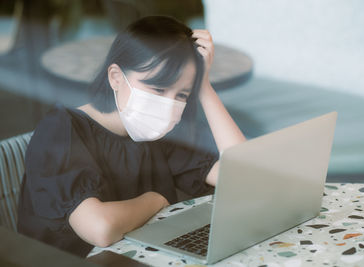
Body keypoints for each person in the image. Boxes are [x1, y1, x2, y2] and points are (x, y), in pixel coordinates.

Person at [17, 16, 246, 257]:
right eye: (158, 89)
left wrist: (204, 88)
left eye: (181, 95)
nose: (168, 105)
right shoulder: (60, 131)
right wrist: (155, 200)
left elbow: (243, 177)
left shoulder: (155, 131)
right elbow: (100, 229)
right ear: (116, 77)